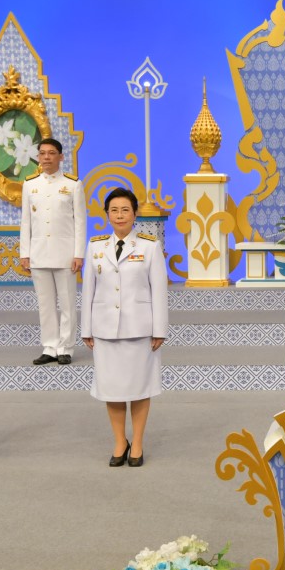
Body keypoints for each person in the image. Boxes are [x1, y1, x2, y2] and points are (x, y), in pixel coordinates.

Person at [81, 188, 169, 467]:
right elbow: (88, 289)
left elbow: (159, 290)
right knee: (112, 389)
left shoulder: (149, 246)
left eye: (125, 210)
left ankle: (138, 443)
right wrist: (86, 328)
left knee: (140, 388)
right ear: (107, 214)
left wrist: (160, 329)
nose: (120, 215)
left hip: (139, 329)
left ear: (135, 214)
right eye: (114, 210)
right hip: (105, 330)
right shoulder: (95, 246)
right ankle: (120, 441)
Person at [18, 138, 85, 366]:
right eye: (42, 153)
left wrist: (78, 254)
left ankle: (65, 347)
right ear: (38, 156)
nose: (46, 157)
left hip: (65, 254)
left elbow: (80, 222)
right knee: (45, 304)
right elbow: (25, 221)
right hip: (38, 253)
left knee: (67, 303)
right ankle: (49, 347)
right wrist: (24, 253)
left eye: (52, 153)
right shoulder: (30, 184)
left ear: (61, 157)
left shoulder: (73, 184)